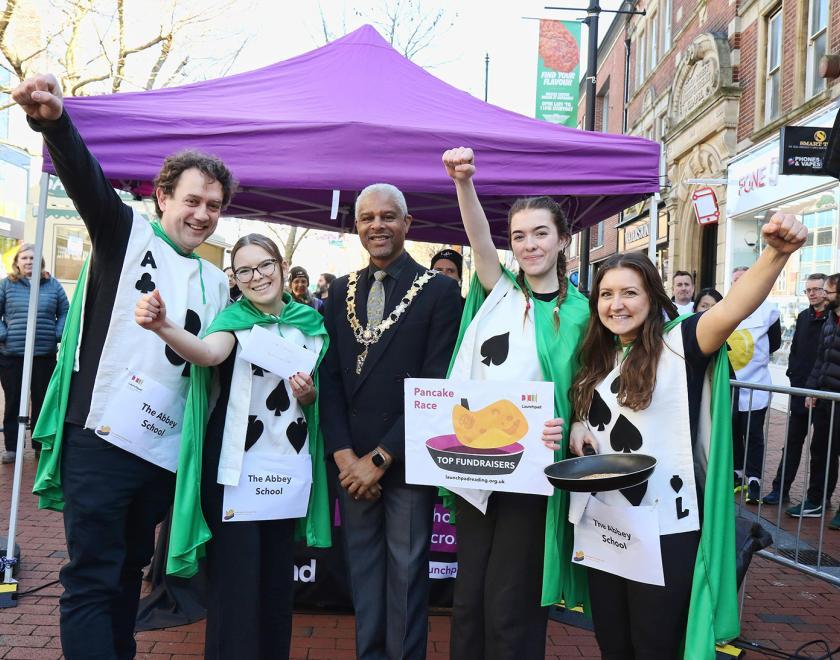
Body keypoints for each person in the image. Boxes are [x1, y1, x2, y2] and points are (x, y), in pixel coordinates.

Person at [13, 73, 232, 659]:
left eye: (213, 206)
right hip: (102, 438)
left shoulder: (217, 282)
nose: (202, 214)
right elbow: (83, 176)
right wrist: (53, 121)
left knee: (128, 572)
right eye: (192, 200)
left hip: (162, 455)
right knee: (91, 577)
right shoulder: (123, 231)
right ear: (164, 196)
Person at [558, 214, 805, 658]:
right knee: (612, 642)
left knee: (656, 644)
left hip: (667, 527)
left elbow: (733, 308)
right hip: (603, 523)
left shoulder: (682, 343)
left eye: (629, 293)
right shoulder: (596, 355)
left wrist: (776, 254)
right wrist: (578, 423)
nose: (616, 304)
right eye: (607, 294)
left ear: (653, 299)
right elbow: (591, 410)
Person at [135, 233, 330, 659]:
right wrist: (164, 326)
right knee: (236, 583)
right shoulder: (233, 320)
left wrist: (310, 395)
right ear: (236, 280)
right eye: (245, 270)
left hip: (287, 469)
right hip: (234, 469)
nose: (257, 276)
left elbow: (319, 400)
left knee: (277, 582)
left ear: (281, 266)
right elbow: (206, 353)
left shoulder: (311, 323)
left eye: (264, 265)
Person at [441, 147, 590, 660]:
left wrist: (577, 423)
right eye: (520, 236)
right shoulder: (498, 290)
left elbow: (590, 385)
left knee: (511, 598)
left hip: (535, 470)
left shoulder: (583, 315)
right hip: (479, 463)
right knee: (470, 597)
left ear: (563, 239)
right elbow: (478, 238)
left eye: (541, 233)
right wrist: (465, 183)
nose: (529, 245)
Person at [319, 182, 462, 660]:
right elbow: (331, 377)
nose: (376, 225)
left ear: (407, 224)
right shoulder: (338, 291)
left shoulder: (441, 292)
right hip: (351, 463)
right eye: (366, 218)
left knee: (405, 575)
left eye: (387, 216)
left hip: (404, 458)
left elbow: (436, 381)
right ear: (356, 225)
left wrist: (380, 458)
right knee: (363, 570)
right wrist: (345, 456)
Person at [0, 244, 69, 463]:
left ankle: (39, 445)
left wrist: (57, 334)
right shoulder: (6, 285)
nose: (29, 261)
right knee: (13, 402)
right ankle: (12, 447)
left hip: (43, 355)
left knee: (41, 402)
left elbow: (65, 311)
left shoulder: (53, 285)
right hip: (13, 355)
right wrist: (4, 335)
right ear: (17, 262)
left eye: (33, 258)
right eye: (25, 258)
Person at [763, 273, 828, 505]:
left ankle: (819, 497)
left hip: (825, 394)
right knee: (791, 443)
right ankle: (780, 489)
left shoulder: (833, 318)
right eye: (808, 289)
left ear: (827, 290)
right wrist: (793, 377)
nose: (812, 293)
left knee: (821, 449)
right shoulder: (802, 317)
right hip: (801, 390)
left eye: (817, 289)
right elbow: (796, 351)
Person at [788, 273, 840, 529]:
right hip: (826, 398)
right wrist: (811, 390)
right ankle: (817, 500)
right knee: (820, 451)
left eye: (828, 292)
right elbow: (822, 357)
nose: (823, 296)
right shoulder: (831, 319)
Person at [729, 265, 782, 503]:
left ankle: (754, 478)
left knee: (753, 434)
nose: (738, 284)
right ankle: (737, 473)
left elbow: (774, 344)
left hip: (756, 385)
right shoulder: (727, 309)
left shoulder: (768, 311)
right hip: (730, 385)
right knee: (733, 432)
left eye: (742, 279)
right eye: (734, 281)